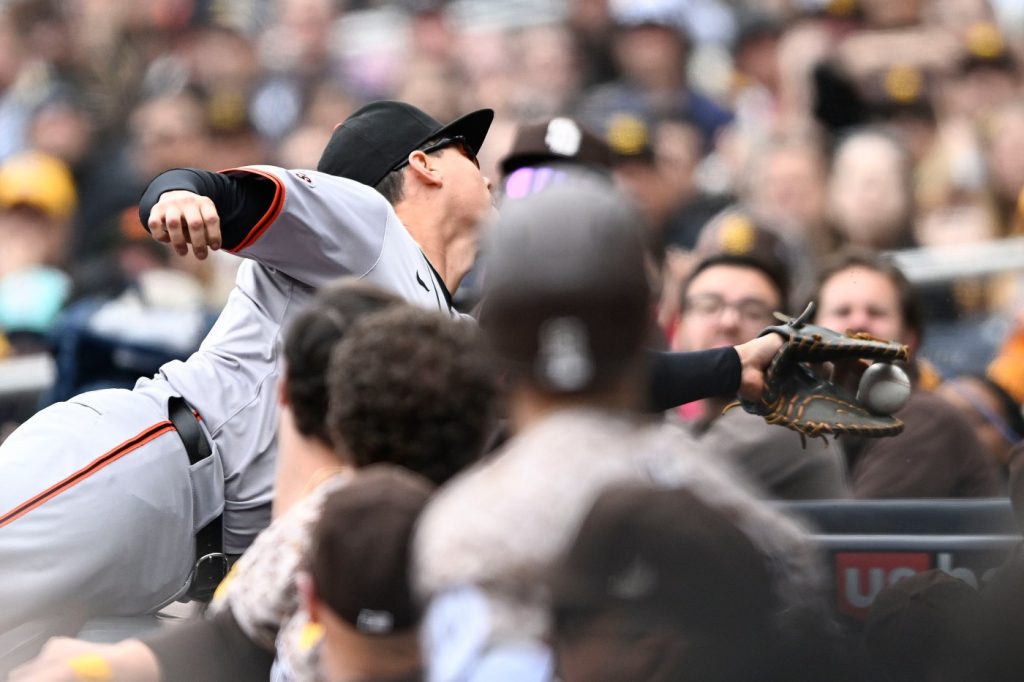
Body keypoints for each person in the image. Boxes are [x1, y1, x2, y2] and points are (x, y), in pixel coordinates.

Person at [0, 99, 779, 661]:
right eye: (467, 151)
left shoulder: (446, 325)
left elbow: (568, 383)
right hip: (147, 465)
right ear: (423, 163)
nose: (487, 169)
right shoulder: (366, 224)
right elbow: (232, 194)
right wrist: (180, 192)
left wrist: (731, 365)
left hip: (174, 559)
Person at [414, 175, 824, 682]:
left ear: (498, 342)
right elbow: (799, 594)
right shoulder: (725, 506)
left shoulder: (462, 529)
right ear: (643, 323)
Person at [10, 287, 497, 681]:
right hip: (151, 464)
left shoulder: (352, 529)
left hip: (149, 477)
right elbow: (233, 638)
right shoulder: (335, 527)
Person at [812, 251, 1002, 498]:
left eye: (877, 313)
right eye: (842, 312)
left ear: (911, 340)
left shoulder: (927, 419)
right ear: (807, 335)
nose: (858, 322)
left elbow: (856, 530)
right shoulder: (804, 415)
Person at [673, 250, 851, 499]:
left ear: (783, 337)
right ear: (677, 328)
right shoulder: (690, 426)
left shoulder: (784, 419)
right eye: (708, 306)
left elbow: (657, 487)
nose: (728, 321)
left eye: (752, 312)